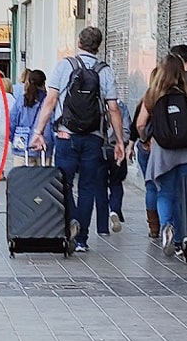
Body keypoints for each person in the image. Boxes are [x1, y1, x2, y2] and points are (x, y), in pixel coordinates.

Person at [31, 26, 126, 253]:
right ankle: (82, 238)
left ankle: (71, 220)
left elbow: (51, 101)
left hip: (65, 135)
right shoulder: (105, 71)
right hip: (94, 137)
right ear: (99, 46)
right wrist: (120, 140)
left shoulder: (65, 66)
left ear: (79, 43)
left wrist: (38, 132)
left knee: (62, 182)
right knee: (88, 187)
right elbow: (113, 109)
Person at [136, 53, 187, 257]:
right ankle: (179, 240)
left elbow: (140, 124)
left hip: (163, 152)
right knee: (181, 195)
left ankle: (166, 226)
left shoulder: (153, 93)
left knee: (165, 192)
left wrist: (146, 139)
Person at [128, 67, 160, 238]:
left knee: (150, 186)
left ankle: (153, 227)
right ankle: (167, 223)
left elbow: (137, 124)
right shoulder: (165, 99)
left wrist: (140, 141)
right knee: (165, 186)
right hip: (163, 148)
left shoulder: (145, 100)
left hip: (145, 147)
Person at [9, 69, 53, 167]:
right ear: (44, 83)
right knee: (43, 179)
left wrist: (12, 138)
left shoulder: (21, 99)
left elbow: (12, 120)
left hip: (22, 143)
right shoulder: (48, 102)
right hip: (43, 145)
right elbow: (53, 123)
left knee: (22, 179)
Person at [104, 99, 131, 234]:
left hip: (99, 149)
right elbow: (127, 130)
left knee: (99, 185)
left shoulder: (92, 102)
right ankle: (114, 210)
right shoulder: (120, 106)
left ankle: (102, 223)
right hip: (117, 148)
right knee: (116, 183)